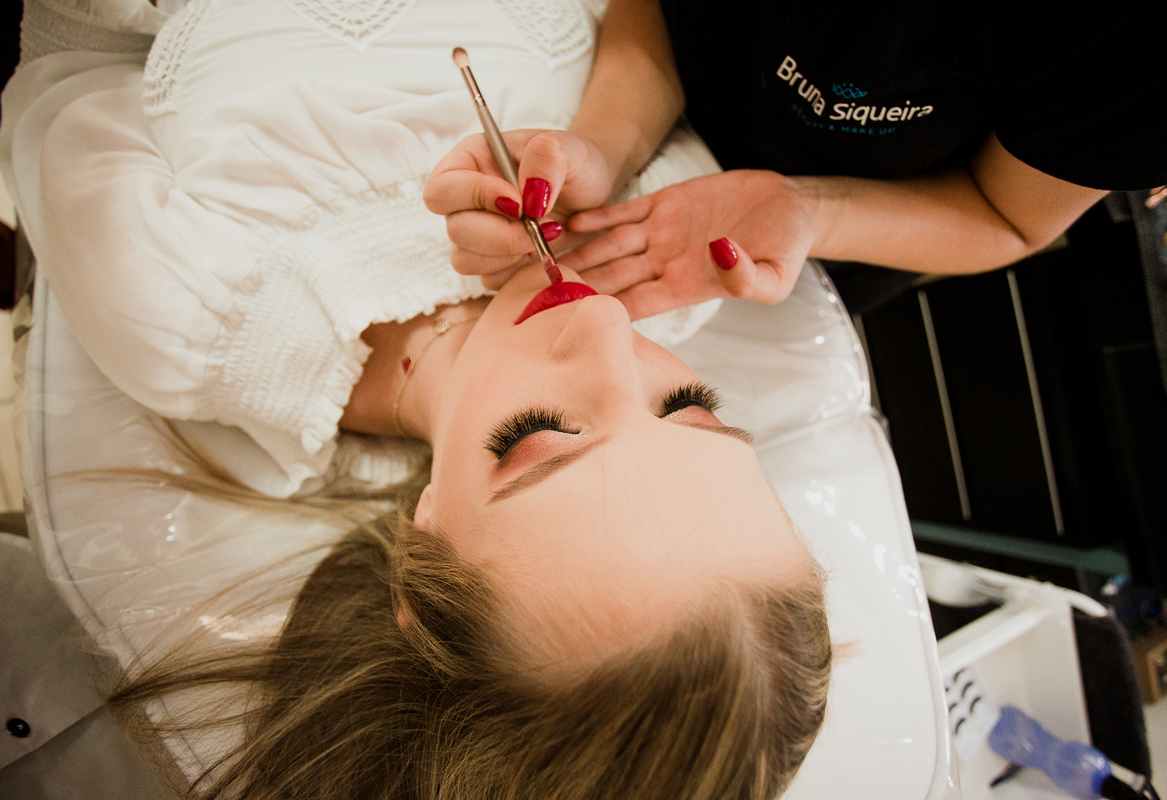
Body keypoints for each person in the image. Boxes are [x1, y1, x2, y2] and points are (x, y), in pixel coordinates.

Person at [1, 0, 831, 796]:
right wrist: (604, 148)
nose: (607, 325)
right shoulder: (668, 254)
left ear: (425, 540)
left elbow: (73, 50)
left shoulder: (183, 313)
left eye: (541, 437)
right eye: (690, 406)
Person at [425, 0, 1167, 316]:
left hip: (822, 243)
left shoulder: (1153, 43)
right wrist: (605, 145)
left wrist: (809, 210)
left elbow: (1006, 215)